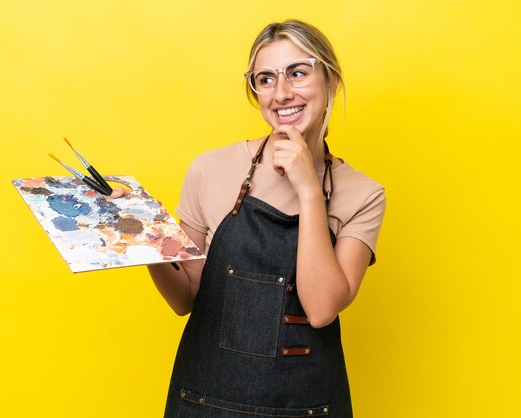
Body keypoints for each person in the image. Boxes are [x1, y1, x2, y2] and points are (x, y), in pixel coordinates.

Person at [113, 19, 385, 417]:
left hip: (306, 406)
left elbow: (322, 308)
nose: (282, 93)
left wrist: (310, 190)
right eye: (266, 78)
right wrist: (146, 234)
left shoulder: (364, 194)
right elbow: (184, 296)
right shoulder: (210, 169)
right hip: (205, 403)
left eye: (298, 72)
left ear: (330, 79)